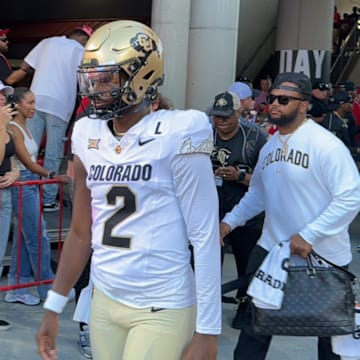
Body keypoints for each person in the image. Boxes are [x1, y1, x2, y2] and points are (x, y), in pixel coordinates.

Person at [36, 20, 221, 360]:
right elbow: (80, 232)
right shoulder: (87, 134)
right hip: (105, 299)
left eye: (108, 78)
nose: (96, 88)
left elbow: (205, 235)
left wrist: (208, 330)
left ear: (143, 76)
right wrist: (54, 305)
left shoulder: (179, 131)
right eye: (93, 78)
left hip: (162, 304)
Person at [220, 71, 360, 360]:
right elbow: (258, 194)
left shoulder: (327, 146)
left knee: (332, 347)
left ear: (304, 105)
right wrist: (228, 223)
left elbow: (351, 197)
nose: (274, 104)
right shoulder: (270, 146)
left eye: (284, 99)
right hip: (272, 254)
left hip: (324, 259)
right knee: (252, 336)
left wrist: (308, 234)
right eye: (271, 98)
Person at [6, 25, 93, 212]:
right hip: (60, 105)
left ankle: (25, 192)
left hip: (34, 100)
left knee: (29, 149)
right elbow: (86, 81)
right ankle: (48, 199)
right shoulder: (80, 50)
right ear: (83, 40)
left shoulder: (47, 42)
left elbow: (26, 66)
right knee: (53, 153)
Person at [209, 90, 267, 329]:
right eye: (217, 116)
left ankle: (245, 303)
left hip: (246, 209)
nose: (221, 121)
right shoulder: (205, 134)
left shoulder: (256, 138)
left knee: (246, 260)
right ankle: (208, 304)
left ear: (238, 113)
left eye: (226, 116)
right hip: (214, 206)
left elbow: (268, 182)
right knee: (211, 259)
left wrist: (240, 176)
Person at [6, 87, 68, 306]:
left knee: (25, 239)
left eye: (35, 102)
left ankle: (16, 287)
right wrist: (53, 175)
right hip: (23, 184)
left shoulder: (26, 126)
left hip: (29, 184)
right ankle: (48, 289)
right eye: (30, 103)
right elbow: (29, 162)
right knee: (38, 238)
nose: (34, 107)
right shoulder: (13, 128)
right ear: (18, 105)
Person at [0, 81, 18, 331]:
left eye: (4, 96)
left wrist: (14, 173)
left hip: (5, 197)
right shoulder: (3, 126)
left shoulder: (7, 128)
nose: (4, 100)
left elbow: (10, 160)